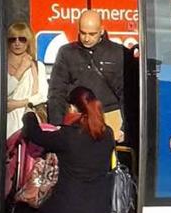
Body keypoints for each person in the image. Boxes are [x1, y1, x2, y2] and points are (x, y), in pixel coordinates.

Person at [47, 10, 127, 142]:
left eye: (92, 34)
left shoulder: (118, 53)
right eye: (83, 33)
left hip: (110, 117)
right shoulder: (67, 53)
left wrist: (125, 128)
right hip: (78, 118)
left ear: (101, 30)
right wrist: (57, 125)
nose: (86, 38)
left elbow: (127, 93)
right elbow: (57, 91)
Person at [4, 22, 48, 138]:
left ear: (28, 41)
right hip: (6, 123)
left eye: (22, 39)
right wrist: (21, 69)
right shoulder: (1, 66)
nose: (17, 43)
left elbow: (42, 96)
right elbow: (5, 91)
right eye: (12, 39)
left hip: (29, 119)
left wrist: (15, 104)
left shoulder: (38, 66)